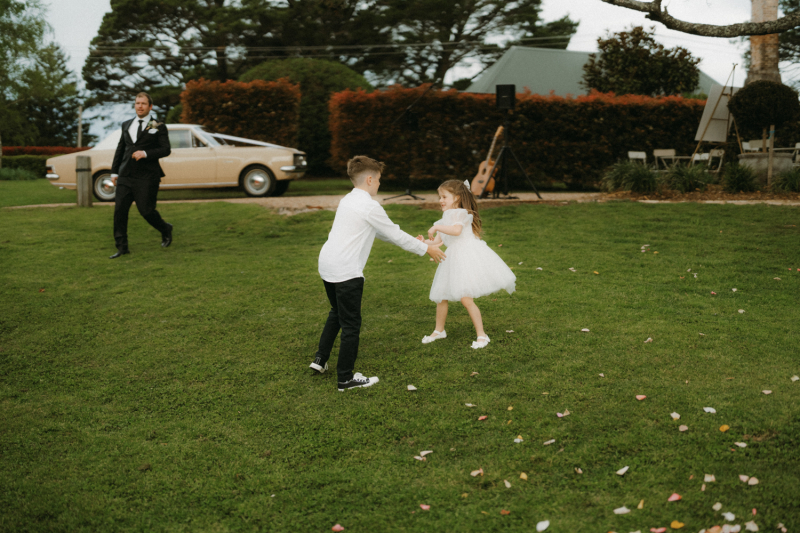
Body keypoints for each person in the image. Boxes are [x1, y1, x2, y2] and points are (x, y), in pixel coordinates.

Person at [311, 155, 446, 391]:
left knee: (337, 312)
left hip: (328, 265)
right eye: (380, 179)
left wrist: (415, 243)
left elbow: (382, 231)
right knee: (351, 324)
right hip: (346, 270)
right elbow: (392, 233)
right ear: (370, 179)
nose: (381, 184)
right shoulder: (369, 205)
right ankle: (345, 378)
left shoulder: (349, 200)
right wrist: (427, 249)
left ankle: (320, 360)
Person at [418, 179, 515, 349]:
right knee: (441, 296)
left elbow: (456, 231)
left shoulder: (461, 213)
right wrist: (422, 242)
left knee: (465, 298)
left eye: (444, 197)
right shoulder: (445, 217)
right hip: (452, 258)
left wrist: (437, 228)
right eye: (439, 197)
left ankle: (482, 335)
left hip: (466, 257)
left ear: (456, 198)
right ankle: (439, 330)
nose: (440, 200)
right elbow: (438, 243)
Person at [109, 92, 173, 259]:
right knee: (119, 212)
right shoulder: (126, 124)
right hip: (125, 175)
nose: (140, 106)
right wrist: (114, 171)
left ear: (150, 106)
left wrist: (145, 153)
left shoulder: (156, 125)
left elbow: (166, 149)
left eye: (143, 103)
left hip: (147, 176)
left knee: (146, 211)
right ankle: (122, 248)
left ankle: (165, 228)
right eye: (137, 103)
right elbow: (121, 149)